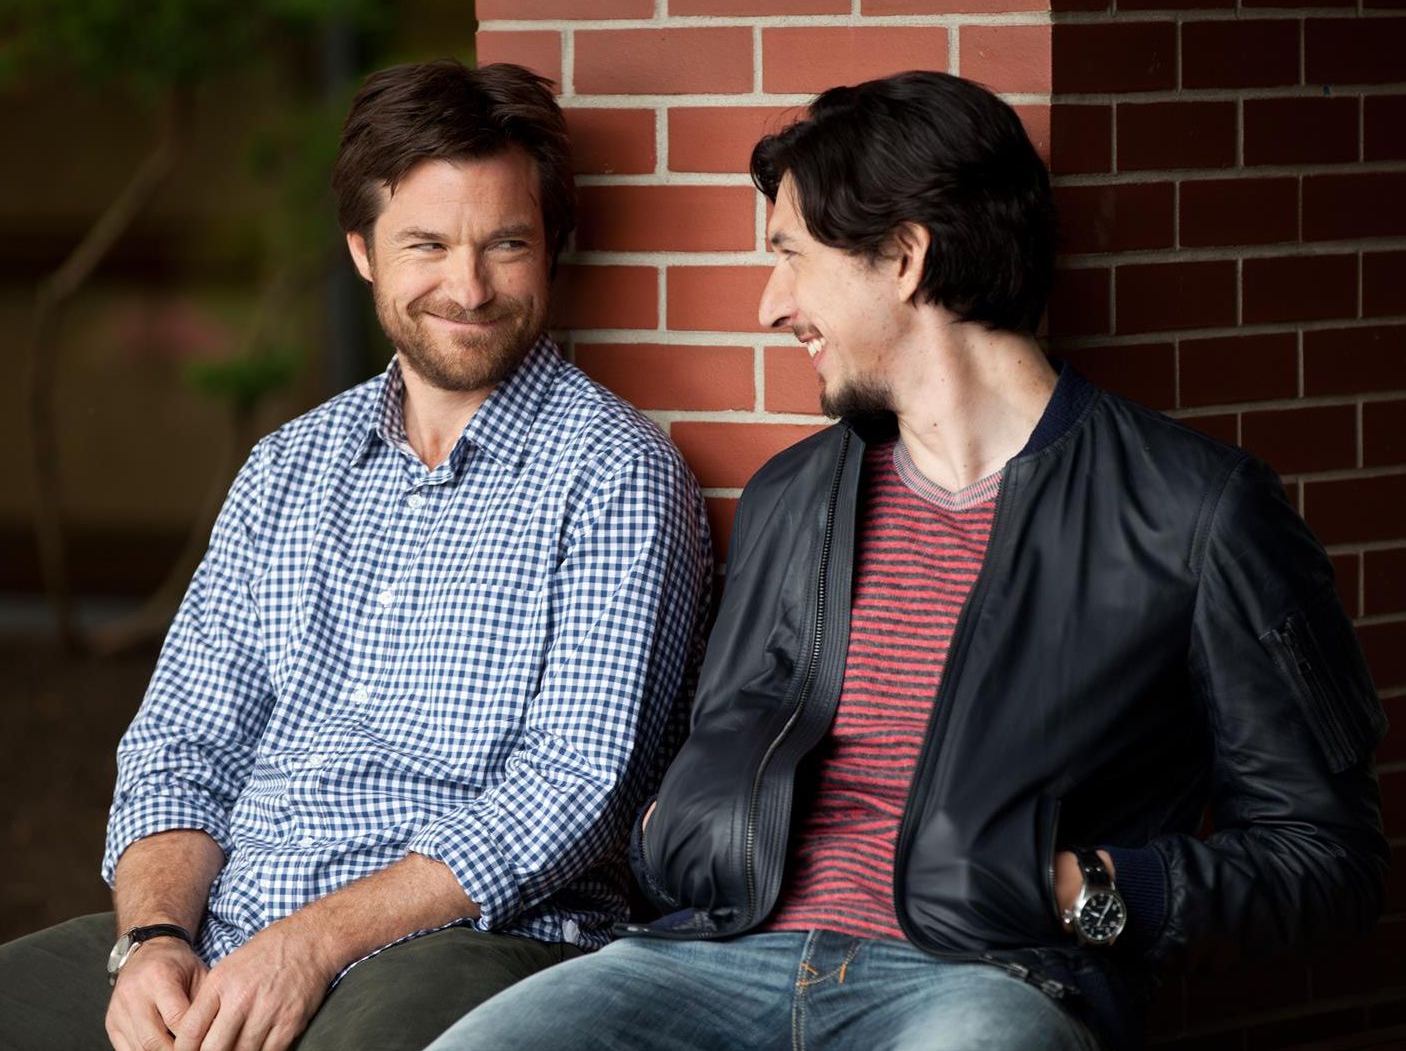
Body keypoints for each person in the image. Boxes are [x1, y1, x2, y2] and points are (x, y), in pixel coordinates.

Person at [426, 70, 1389, 1051]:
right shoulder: (788, 500)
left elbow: (1327, 859)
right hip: (713, 958)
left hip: (979, 980)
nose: (771, 305)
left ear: (903, 257)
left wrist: (1083, 888)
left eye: (790, 258)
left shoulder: (1195, 511)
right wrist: (673, 828)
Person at [0, 59, 712, 1051]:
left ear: (550, 250)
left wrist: (311, 945)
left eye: (505, 244)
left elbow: (574, 789)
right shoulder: (288, 468)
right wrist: (155, 941)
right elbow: (179, 744)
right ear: (363, 251)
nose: (467, 287)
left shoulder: (614, 475)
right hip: (229, 932)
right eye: (426, 243)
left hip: (476, 944)